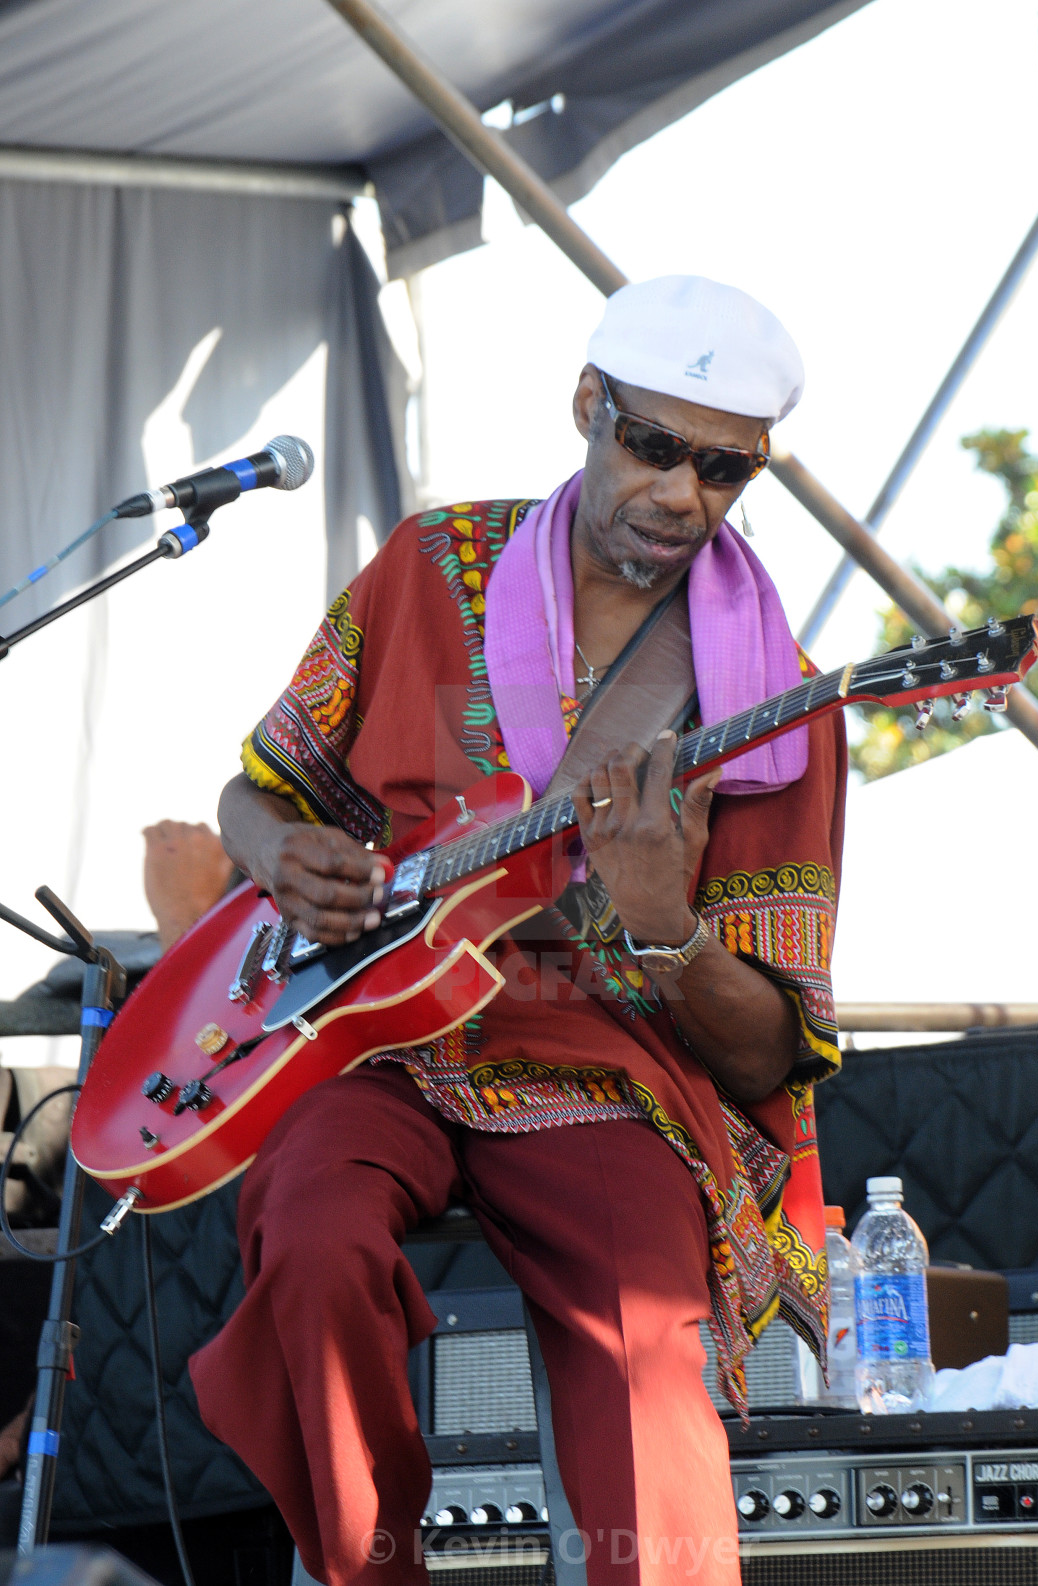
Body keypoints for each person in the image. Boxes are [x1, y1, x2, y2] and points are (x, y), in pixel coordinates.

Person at [190, 276, 847, 1586]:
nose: (681, 494)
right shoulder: (429, 567)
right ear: (588, 405)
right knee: (312, 1241)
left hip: (599, 1065)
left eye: (724, 469)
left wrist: (667, 930)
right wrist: (284, 856)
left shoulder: (773, 703)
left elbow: (774, 1048)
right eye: (654, 445)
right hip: (370, 1036)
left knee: (645, 1335)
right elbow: (254, 793)